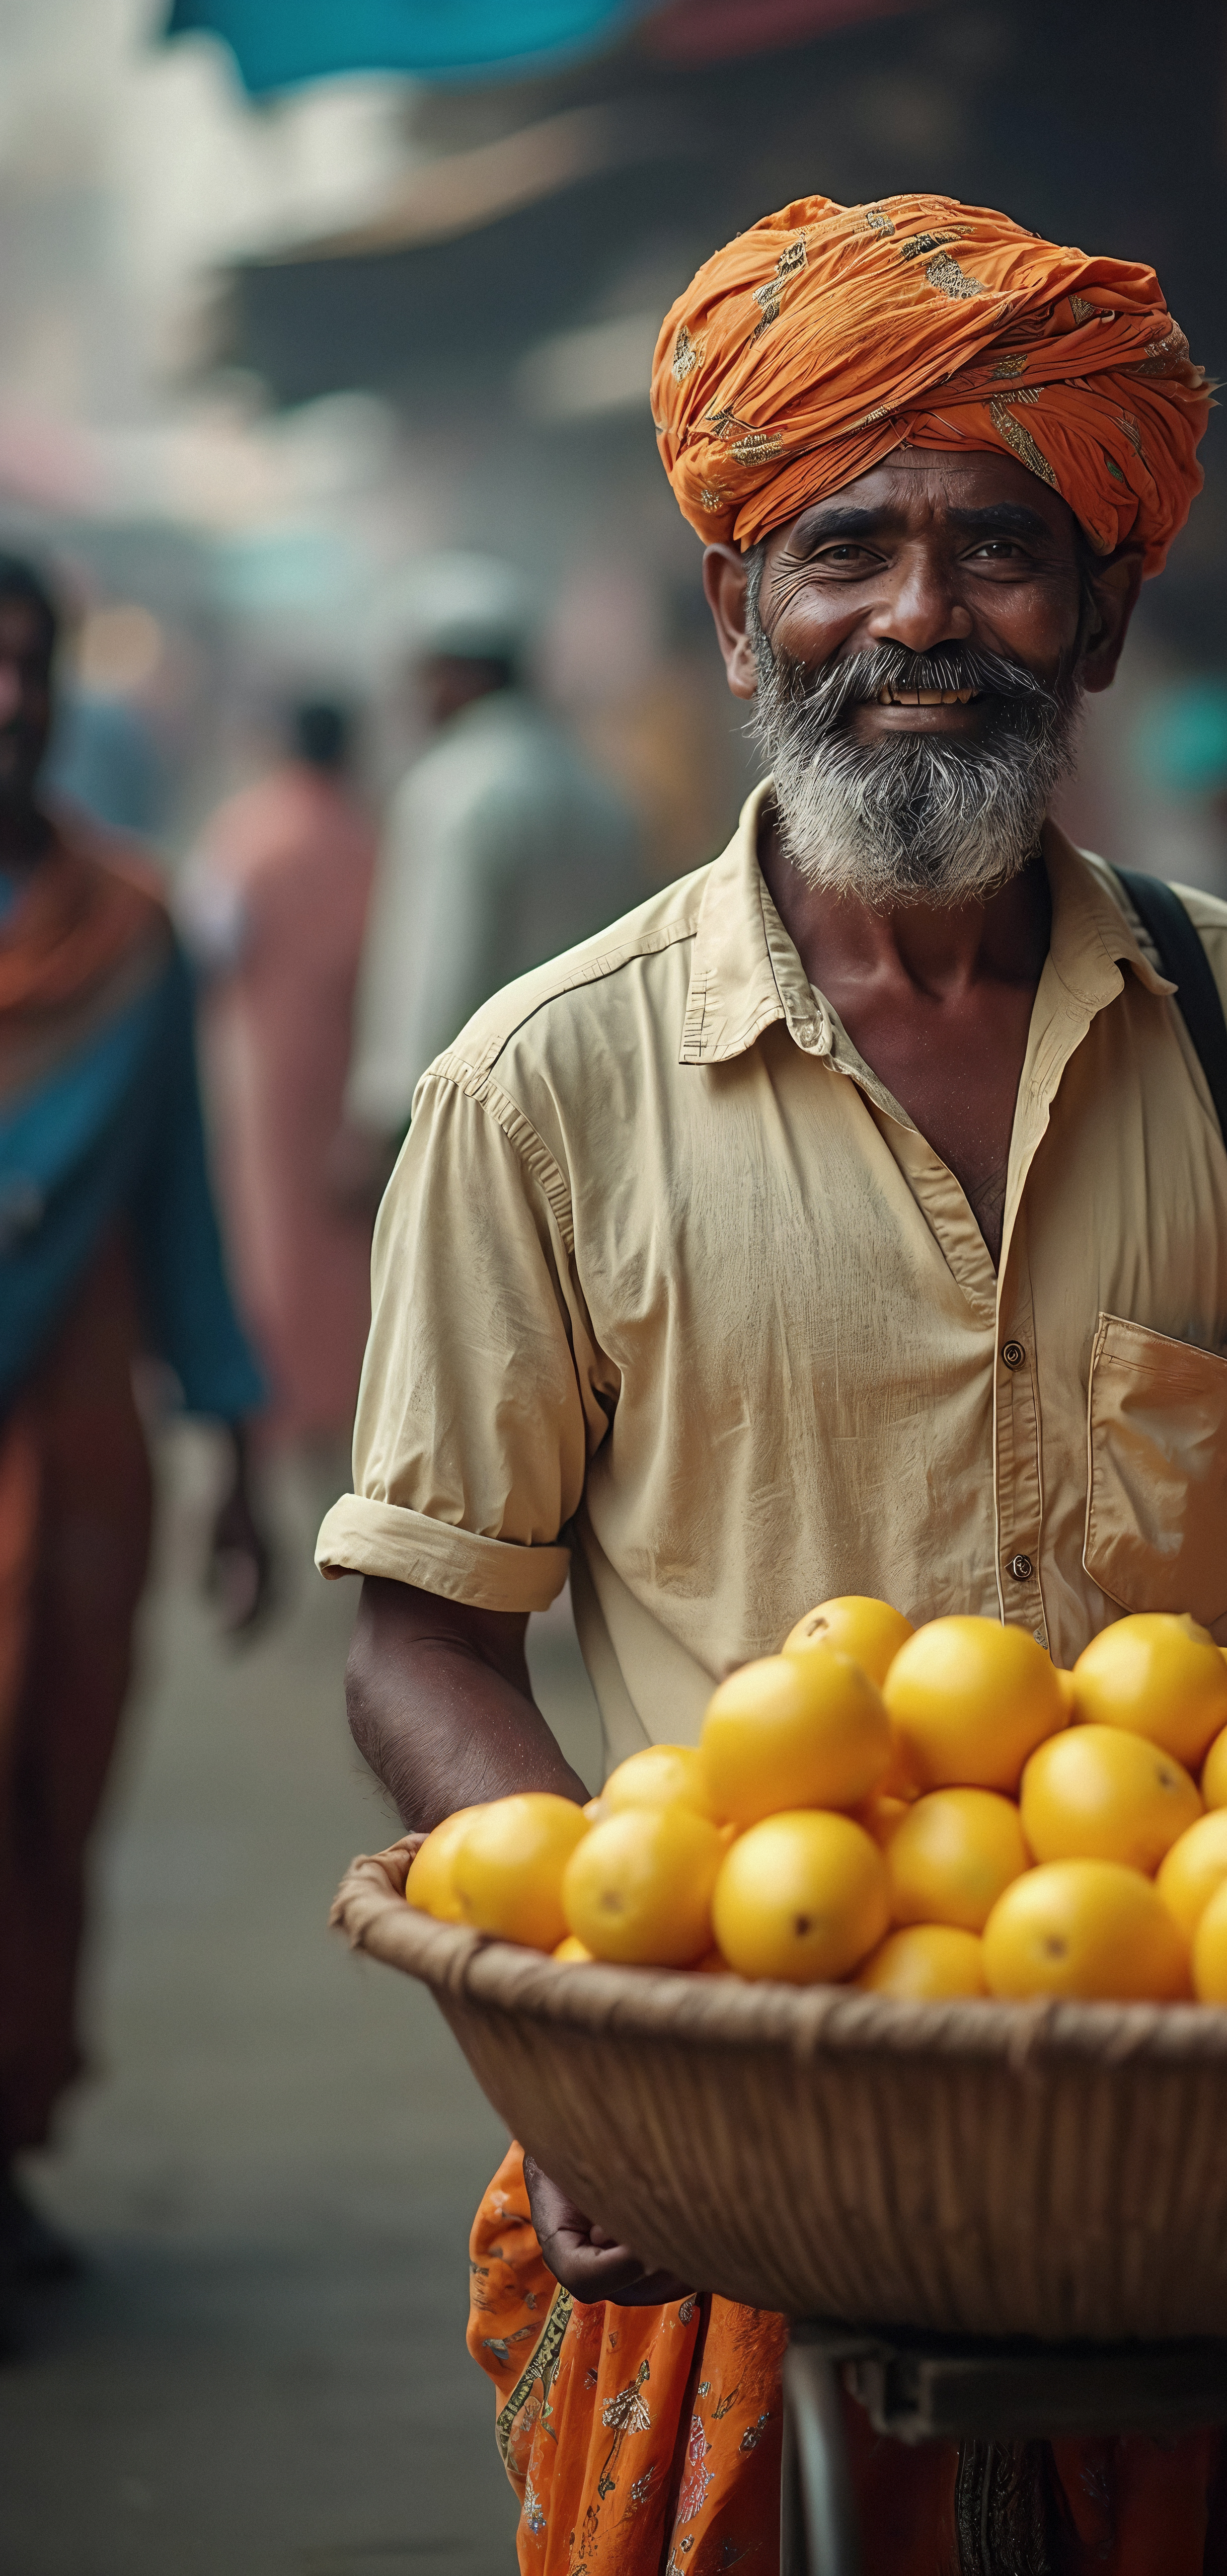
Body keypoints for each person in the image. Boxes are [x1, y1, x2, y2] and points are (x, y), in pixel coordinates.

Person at [320, 198, 1227, 2571]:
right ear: (735, 611)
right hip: (767, 2130)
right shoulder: (545, 1087)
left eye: (1000, 548)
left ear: (1097, 615)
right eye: (845, 546)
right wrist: (605, 2057)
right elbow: (422, 1638)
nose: (919, 616)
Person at [0, 554, 268, 2284]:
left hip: (79, 1440)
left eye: (20, 662)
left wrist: (242, 1462)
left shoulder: (133, 926)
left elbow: (182, 1206)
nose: (0, 699)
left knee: (44, 1793)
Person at [333, 553, 644, 1200]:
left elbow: (432, 971)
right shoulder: (601, 792)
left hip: (472, 1118)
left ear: (462, 674)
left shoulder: (453, 789)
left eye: (426, 678)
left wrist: (387, 1120)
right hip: (592, 1111)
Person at [179, 700, 376, 1463]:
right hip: (349, 1074)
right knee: (344, 1241)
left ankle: (271, 1399)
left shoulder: (246, 837)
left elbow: (205, 946)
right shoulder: (368, 838)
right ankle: (344, 1398)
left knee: (265, 1229)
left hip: (262, 1073)